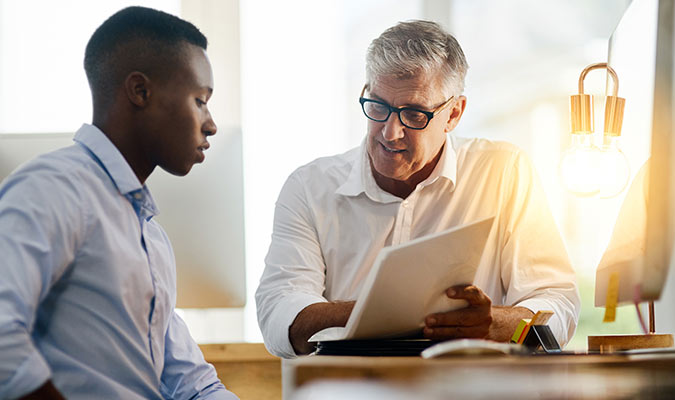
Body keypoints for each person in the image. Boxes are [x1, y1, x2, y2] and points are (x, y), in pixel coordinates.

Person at [256, 20, 580, 358]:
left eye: (413, 113)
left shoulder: (504, 172)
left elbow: (558, 302)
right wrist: (385, 312)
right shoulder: (309, 187)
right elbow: (280, 317)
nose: (390, 132)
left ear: (454, 113)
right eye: (378, 107)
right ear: (367, 91)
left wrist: (498, 323)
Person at [0, 7, 238, 399]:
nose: (210, 123)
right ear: (140, 91)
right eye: (200, 100)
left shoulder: (151, 236)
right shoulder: (54, 188)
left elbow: (193, 385)